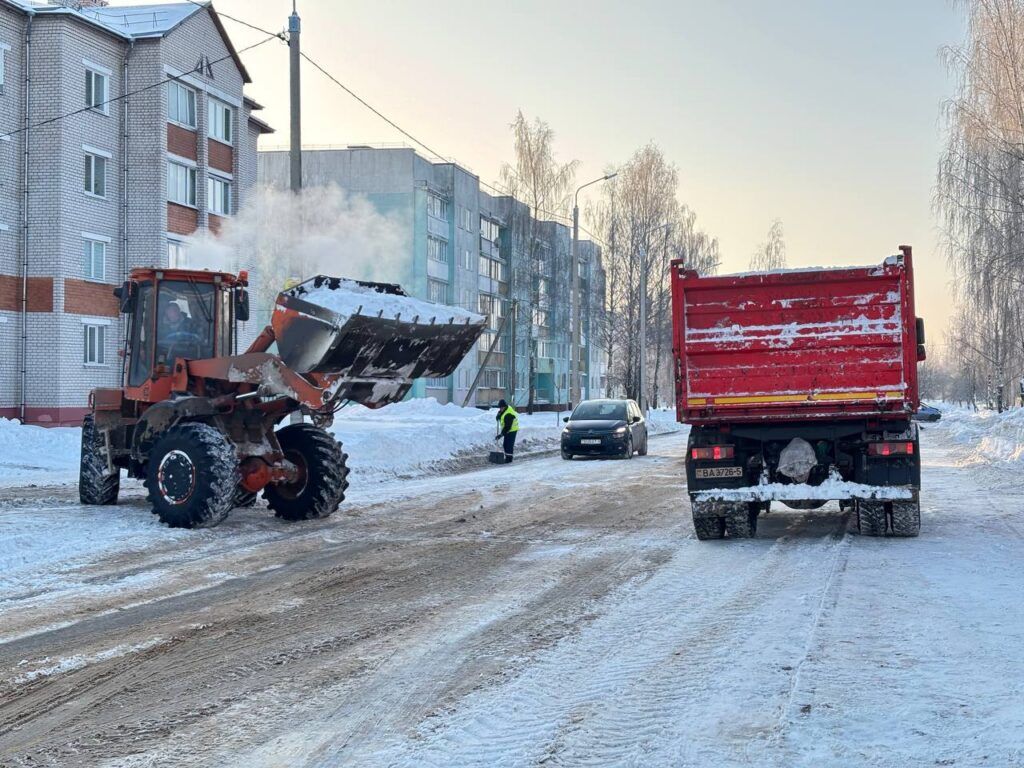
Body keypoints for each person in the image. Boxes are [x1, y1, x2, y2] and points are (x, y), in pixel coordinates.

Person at [494, 399, 520, 464]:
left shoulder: (509, 414)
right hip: (508, 429)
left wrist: (501, 435)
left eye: (501, 408)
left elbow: (507, 427)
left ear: (505, 406)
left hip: (512, 430)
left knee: (509, 445)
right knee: (505, 444)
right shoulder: (504, 409)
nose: (500, 409)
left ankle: (509, 459)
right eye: (500, 408)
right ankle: (507, 457)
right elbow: (501, 414)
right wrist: (498, 416)